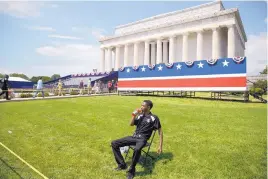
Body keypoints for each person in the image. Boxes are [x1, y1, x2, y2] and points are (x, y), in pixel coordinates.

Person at [111, 100, 163, 179]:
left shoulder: (154, 118)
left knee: (137, 149)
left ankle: (131, 171)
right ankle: (122, 165)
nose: (141, 107)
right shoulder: (140, 115)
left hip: (142, 139)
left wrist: (160, 146)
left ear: (148, 107)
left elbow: (160, 131)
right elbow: (131, 124)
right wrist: (133, 115)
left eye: (143, 105)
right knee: (114, 143)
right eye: (141, 105)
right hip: (134, 137)